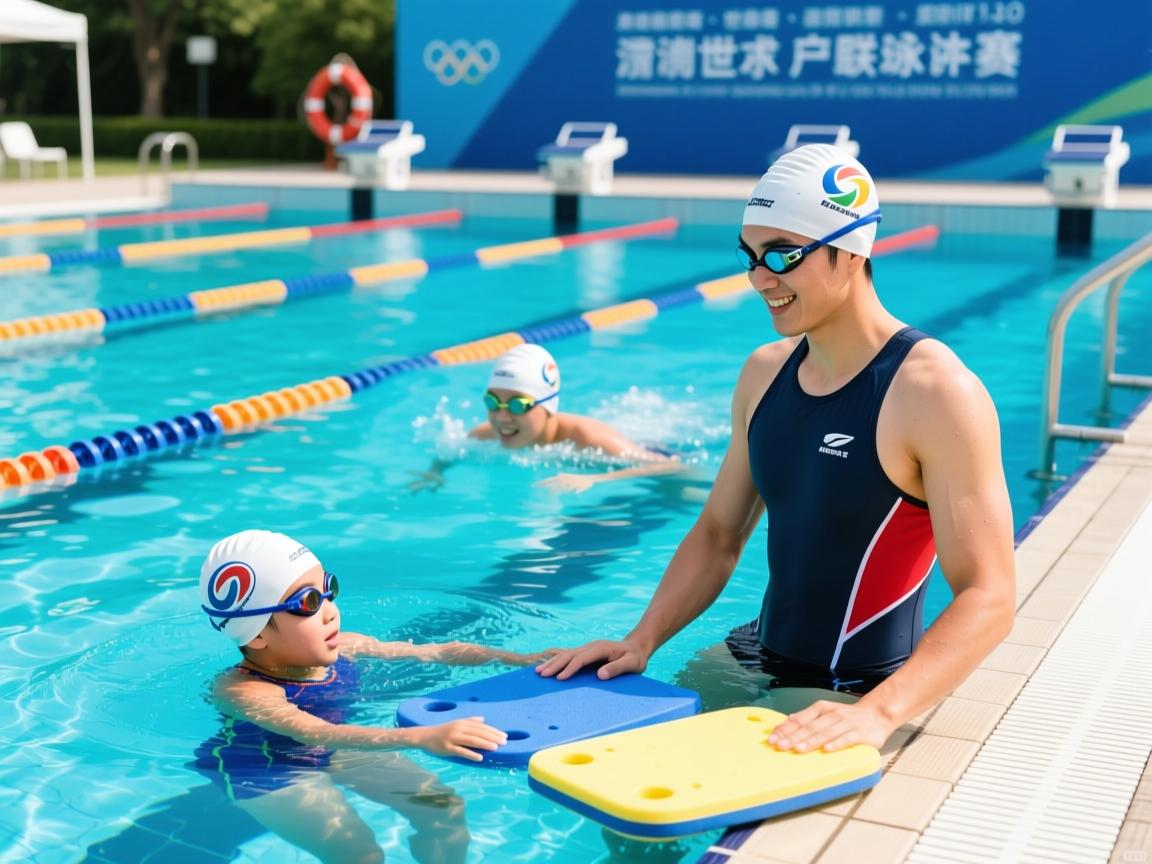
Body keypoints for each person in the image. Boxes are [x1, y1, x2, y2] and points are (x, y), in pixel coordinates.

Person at [539, 144, 1016, 756]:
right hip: (753, 651)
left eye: (783, 255)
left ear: (851, 251)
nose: (760, 277)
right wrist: (643, 639)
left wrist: (878, 713)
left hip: (855, 686)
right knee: (621, 799)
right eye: (750, 255)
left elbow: (991, 593)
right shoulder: (764, 375)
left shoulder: (933, 391)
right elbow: (718, 534)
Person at [194, 529, 552, 864]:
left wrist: (525, 661)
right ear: (255, 633)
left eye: (328, 589)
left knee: (443, 806)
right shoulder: (243, 689)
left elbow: (436, 652)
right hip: (267, 769)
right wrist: (423, 736)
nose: (330, 611)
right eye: (308, 603)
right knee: (360, 855)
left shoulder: (347, 645)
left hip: (336, 748)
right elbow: (316, 732)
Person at [409, 343, 682, 494]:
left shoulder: (589, 440)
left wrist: (595, 480)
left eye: (518, 405)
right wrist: (434, 473)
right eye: (493, 402)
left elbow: (671, 467)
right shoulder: (484, 434)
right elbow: (450, 453)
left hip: (654, 451)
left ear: (548, 405)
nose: (502, 416)